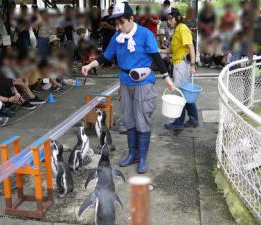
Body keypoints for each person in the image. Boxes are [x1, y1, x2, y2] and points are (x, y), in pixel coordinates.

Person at [81, 1, 175, 174]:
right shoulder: (118, 37)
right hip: (125, 81)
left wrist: (167, 77)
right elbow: (105, 57)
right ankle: (132, 154)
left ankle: (142, 158)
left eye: (121, 22)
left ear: (132, 19)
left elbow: (156, 56)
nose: (118, 26)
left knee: (142, 120)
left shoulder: (145, 34)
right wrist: (90, 65)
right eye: (116, 23)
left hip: (143, 83)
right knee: (129, 119)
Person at [160, 10, 198, 130]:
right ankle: (193, 119)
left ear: (178, 18)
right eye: (167, 19)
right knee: (185, 93)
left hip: (182, 65)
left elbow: (191, 46)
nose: (168, 21)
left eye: (171, 18)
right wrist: (158, 50)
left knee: (179, 94)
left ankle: (178, 122)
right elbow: (171, 50)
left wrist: (193, 64)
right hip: (178, 64)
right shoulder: (176, 30)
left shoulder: (182, 28)